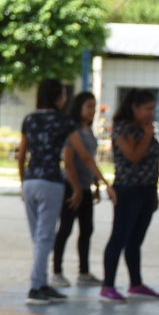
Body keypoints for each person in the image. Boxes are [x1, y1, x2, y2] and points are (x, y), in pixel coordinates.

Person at [18, 80, 111, 305]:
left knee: (39, 238)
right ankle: (36, 287)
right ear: (58, 97)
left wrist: (23, 182)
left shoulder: (30, 119)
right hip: (51, 182)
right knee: (44, 237)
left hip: (30, 181)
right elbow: (85, 156)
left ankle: (41, 283)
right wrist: (104, 183)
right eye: (63, 94)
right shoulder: (65, 122)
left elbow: (21, 155)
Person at [99, 89, 159, 303]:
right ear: (134, 107)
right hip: (128, 190)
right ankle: (108, 285)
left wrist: (154, 192)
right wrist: (146, 136)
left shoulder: (144, 128)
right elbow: (133, 156)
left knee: (135, 240)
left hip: (146, 190)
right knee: (119, 236)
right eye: (147, 109)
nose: (151, 114)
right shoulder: (123, 129)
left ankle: (136, 283)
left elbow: (153, 162)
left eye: (153, 109)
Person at [52, 91, 105, 287]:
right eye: (89, 106)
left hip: (85, 186)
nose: (93, 110)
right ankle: (56, 271)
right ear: (79, 108)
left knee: (87, 229)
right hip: (71, 187)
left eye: (94, 106)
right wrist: (75, 189)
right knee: (65, 228)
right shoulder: (72, 131)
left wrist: (95, 184)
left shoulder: (89, 131)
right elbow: (69, 162)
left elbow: (90, 160)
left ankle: (84, 272)